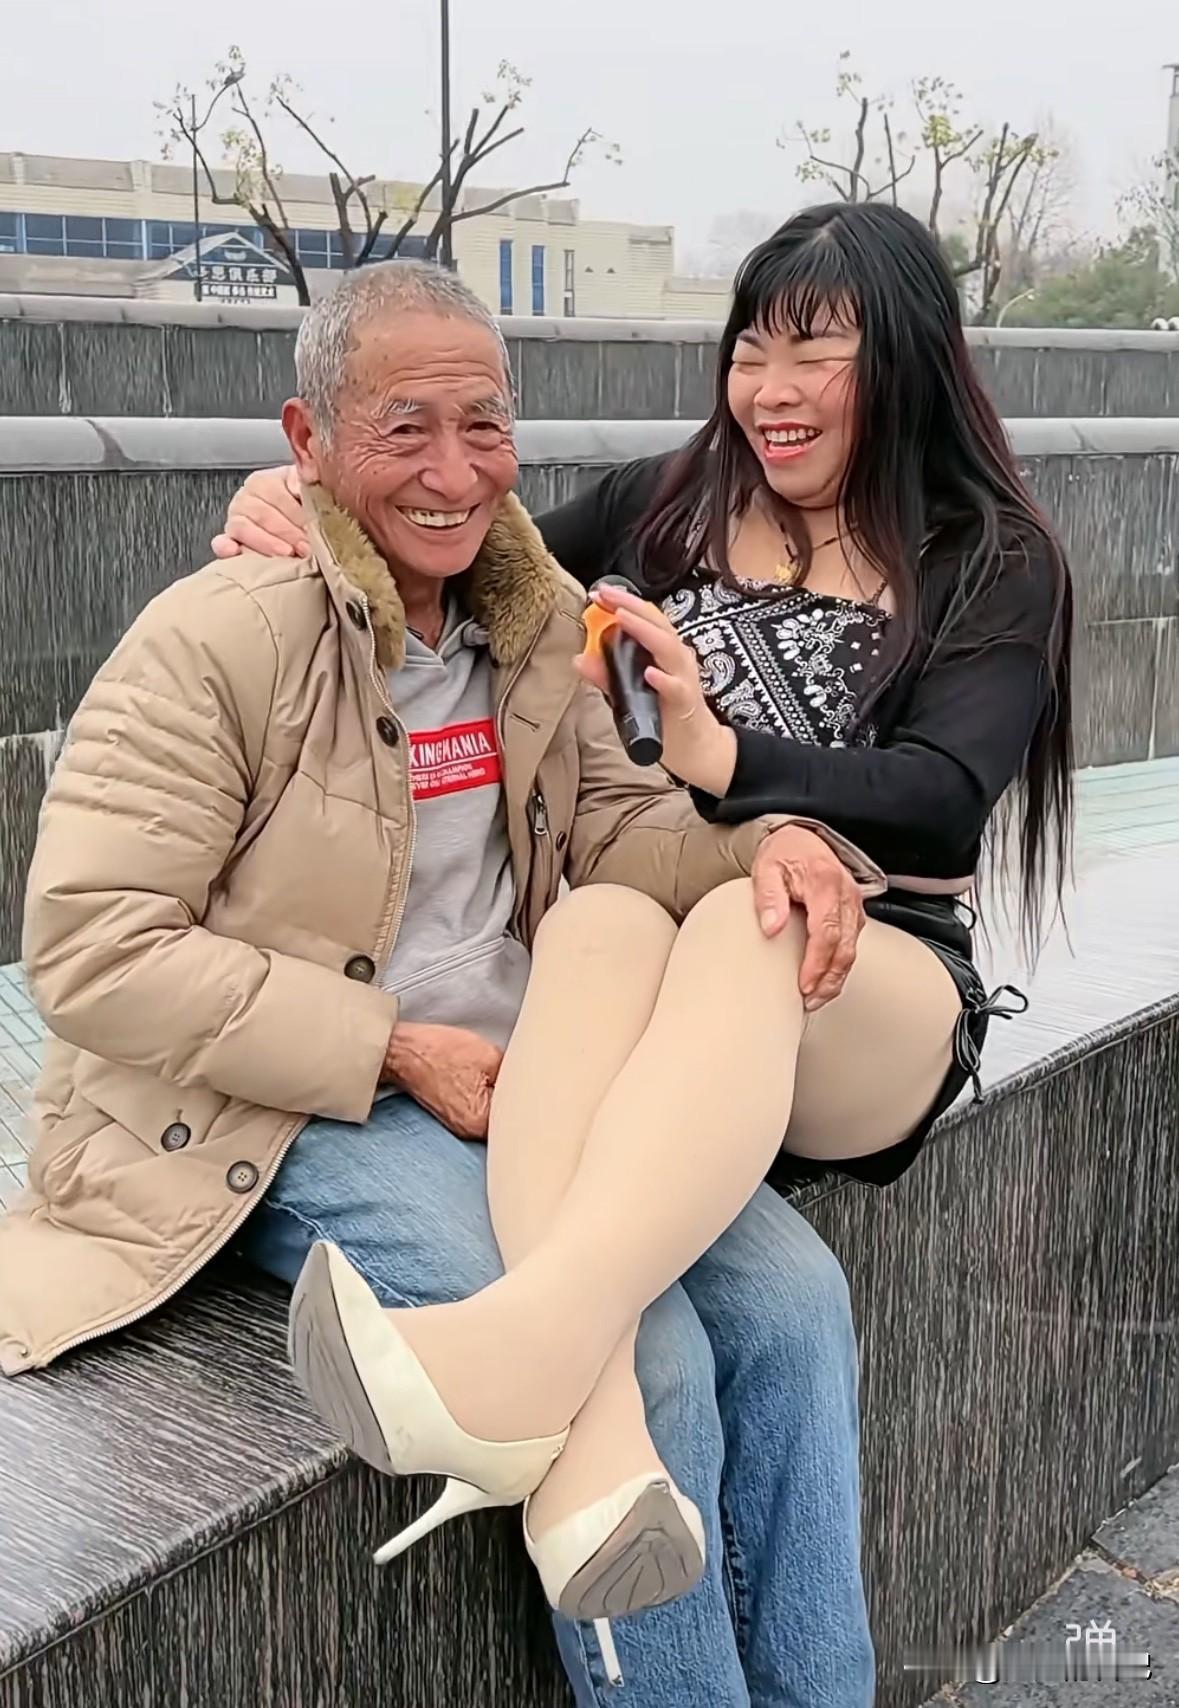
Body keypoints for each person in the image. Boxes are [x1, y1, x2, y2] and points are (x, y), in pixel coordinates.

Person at [0, 257, 892, 1708]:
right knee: (645, 1357)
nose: (454, 470)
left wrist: (764, 848)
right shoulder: (219, 638)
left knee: (794, 1303)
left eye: (484, 425)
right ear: (308, 441)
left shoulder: (528, 622)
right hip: (286, 1106)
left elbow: (621, 828)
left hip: (528, 1080)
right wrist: (393, 1047)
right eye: (403, 427)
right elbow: (91, 946)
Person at [211, 205, 1075, 1698]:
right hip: (667, 968)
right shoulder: (671, 506)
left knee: (744, 915)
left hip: (864, 979)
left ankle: (525, 1347)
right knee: (603, 915)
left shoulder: (991, 555)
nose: (770, 390)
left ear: (909, 358)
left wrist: (723, 760)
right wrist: (295, 497)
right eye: (751, 350)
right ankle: (567, 1364)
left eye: (816, 351)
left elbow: (946, 794)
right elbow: (462, 540)